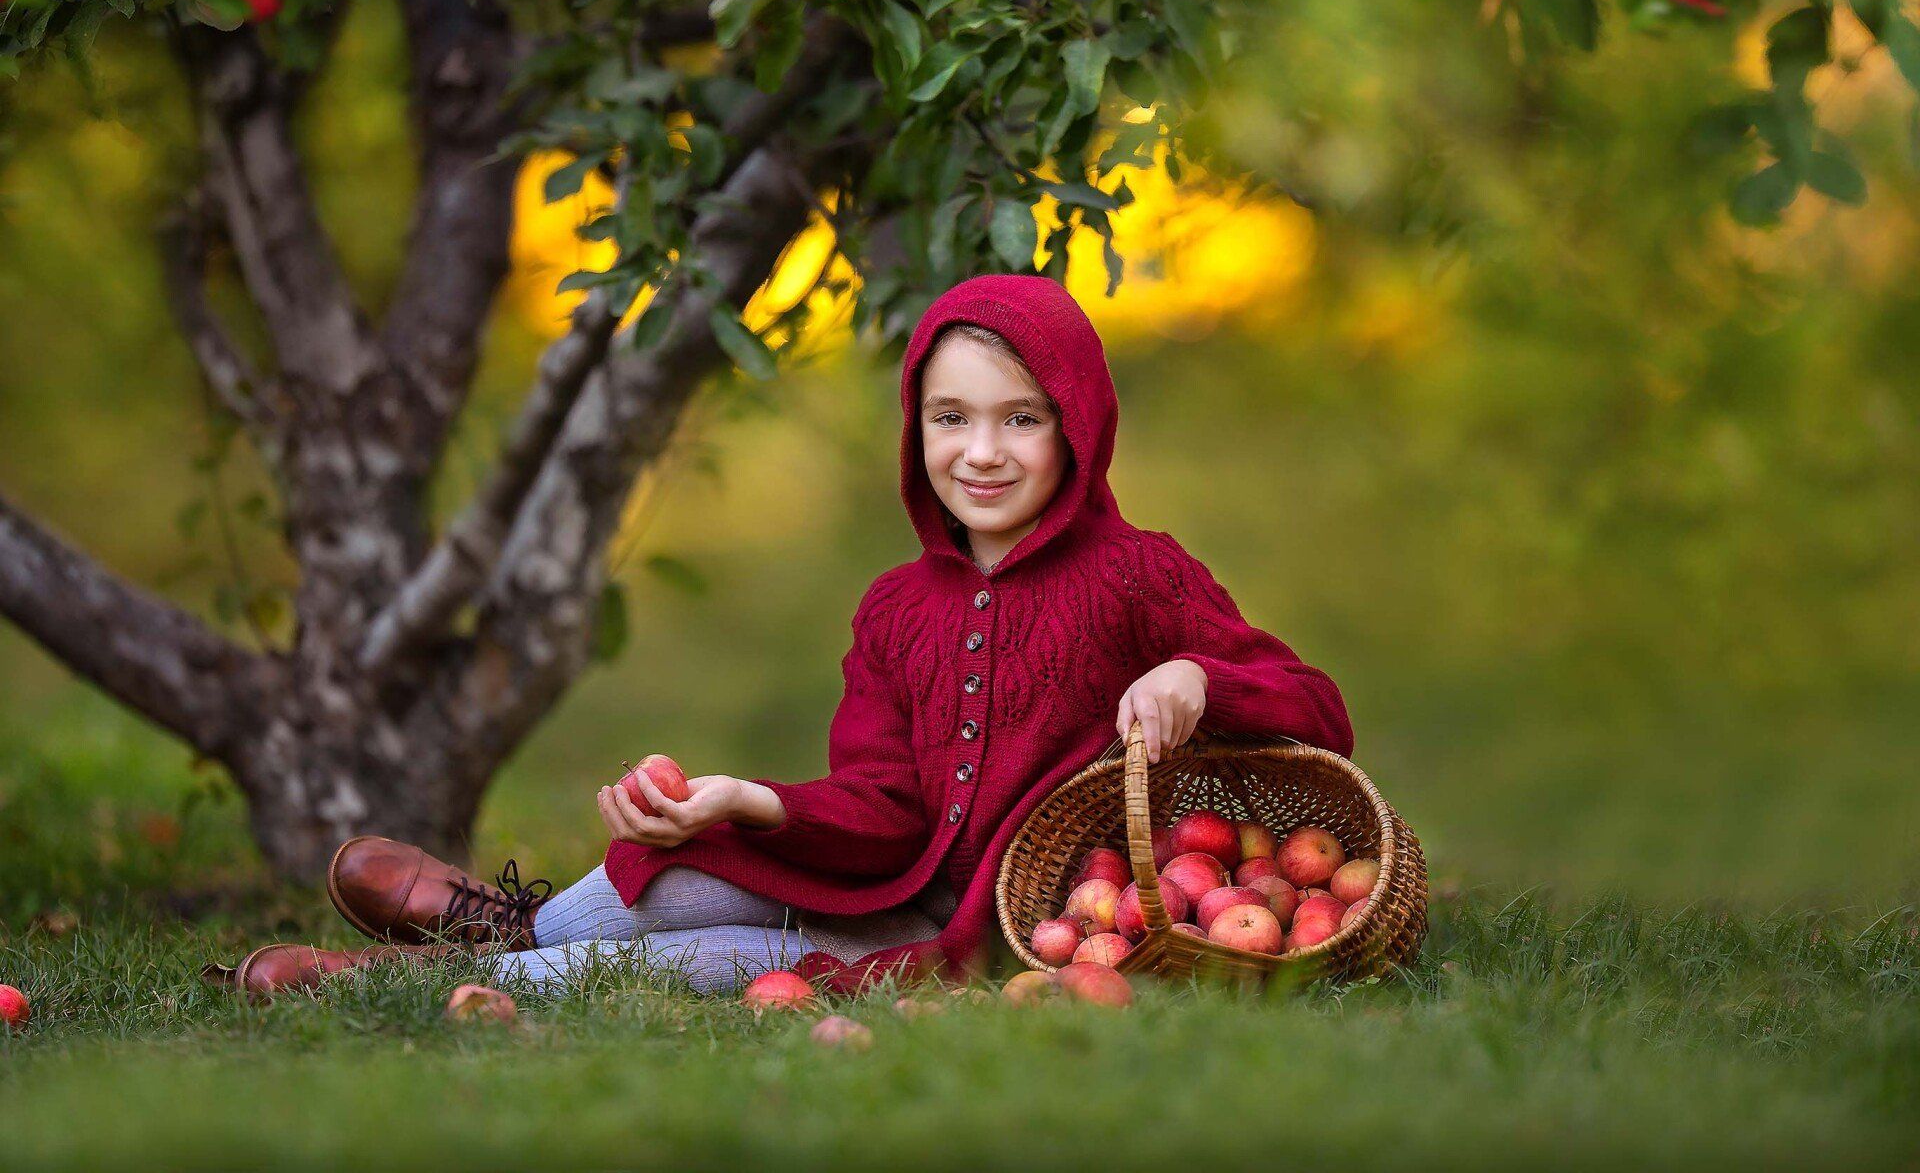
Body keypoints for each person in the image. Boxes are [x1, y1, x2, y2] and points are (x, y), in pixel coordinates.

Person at [218, 274, 1354, 999]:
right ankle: (510, 927)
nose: (982, 452)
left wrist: (1194, 673)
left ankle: (401, 982)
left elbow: (1314, 703)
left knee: (696, 962)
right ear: (917, 429)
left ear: (1078, 425)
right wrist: (747, 803)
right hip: (883, 870)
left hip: (983, 924)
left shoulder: (1137, 574)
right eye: (950, 417)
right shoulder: (897, 608)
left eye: (1022, 417)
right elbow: (884, 802)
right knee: (667, 878)